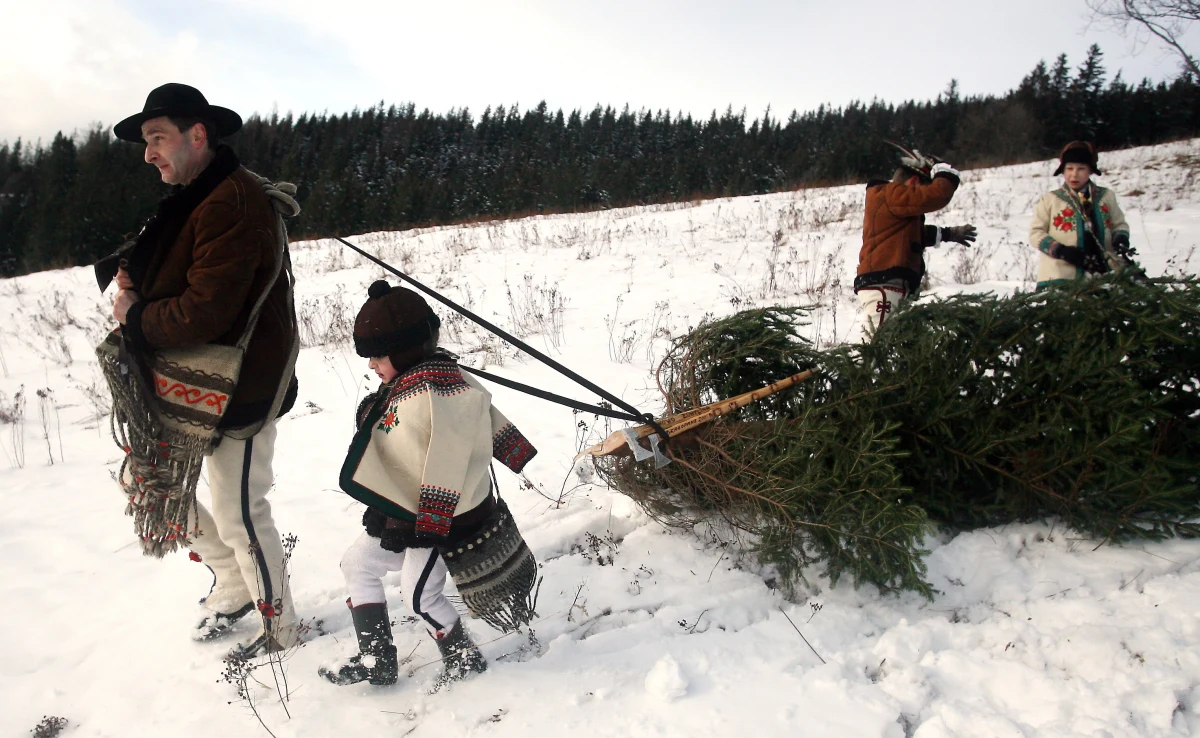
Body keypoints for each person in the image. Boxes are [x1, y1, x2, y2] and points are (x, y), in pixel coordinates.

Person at [99, 83, 301, 657]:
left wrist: (136, 317)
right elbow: (177, 267)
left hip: (238, 387)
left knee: (240, 511)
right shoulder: (196, 196)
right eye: (145, 142)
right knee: (151, 482)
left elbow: (206, 311)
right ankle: (233, 580)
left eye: (157, 138)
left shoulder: (231, 202)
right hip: (189, 384)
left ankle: (279, 628)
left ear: (198, 135)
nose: (148, 153)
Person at [322, 280, 538, 690]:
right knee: (358, 564)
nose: (371, 365)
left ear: (405, 351)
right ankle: (377, 659)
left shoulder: (441, 391)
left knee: (419, 596)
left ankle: (463, 659)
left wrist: (430, 522)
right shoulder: (413, 383)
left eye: (378, 355)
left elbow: (450, 453)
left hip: (440, 519)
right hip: (405, 513)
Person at [854, 146, 977, 339]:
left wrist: (948, 234)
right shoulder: (892, 193)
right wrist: (944, 171)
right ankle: (851, 370)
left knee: (886, 347)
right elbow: (936, 196)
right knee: (872, 347)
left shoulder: (891, 201)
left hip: (890, 284)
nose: (921, 194)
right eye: (923, 186)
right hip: (885, 285)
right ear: (913, 181)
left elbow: (911, 235)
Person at [1029, 141, 1133, 290]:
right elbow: (1035, 233)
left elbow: (1119, 224)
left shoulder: (1106, 197)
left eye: (1081, 169)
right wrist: (1060, 250)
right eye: (1069, 168)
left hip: (1104, 274)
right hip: (1061, 276)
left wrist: (1120, 238)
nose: (1074, 174)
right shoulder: (1051, 200)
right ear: (1062, 170)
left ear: (1090, 170)